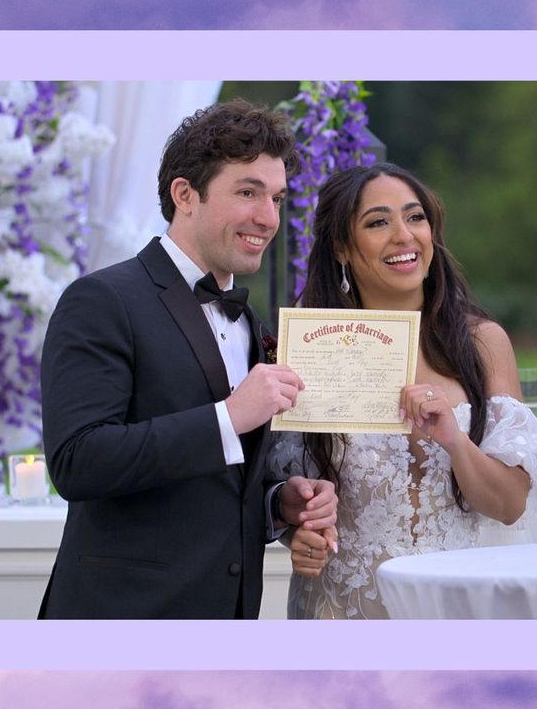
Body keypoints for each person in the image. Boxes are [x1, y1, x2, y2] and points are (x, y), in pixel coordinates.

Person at [38, 99, 338, 619]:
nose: (268, 218)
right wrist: (228, 417)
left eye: (277, 198)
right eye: (247, 192)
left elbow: (221, 482)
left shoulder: (250, 323)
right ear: (185, 194)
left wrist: (278, 502)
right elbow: (77, 461)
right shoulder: (101, 300)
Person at [272, 163, 537, 619]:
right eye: (377, 222)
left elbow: (510, 505)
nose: (404, 235)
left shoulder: (482, 343)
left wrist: (454, 440)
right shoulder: (313, 347)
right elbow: (285, 495)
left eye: (415, 217)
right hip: (344, 612)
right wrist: (301, 531)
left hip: (455, 607)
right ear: (342, 249)